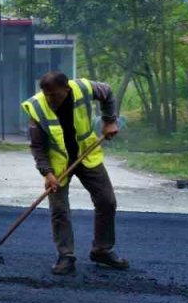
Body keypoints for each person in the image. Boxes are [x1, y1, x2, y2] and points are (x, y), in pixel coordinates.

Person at [23, 71, 126, 276]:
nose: (50, 99)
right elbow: (37, 146)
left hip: (86, 154)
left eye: (54, 95)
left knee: (107, 201)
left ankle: (102, 250)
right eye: (47, 94)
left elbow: (107, 93)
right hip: (58, 163)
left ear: (67, 88)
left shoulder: (84, 88)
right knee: (59, 209)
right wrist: (47, 173)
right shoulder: (37, 107)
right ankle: (65, 256)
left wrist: (109, 120)